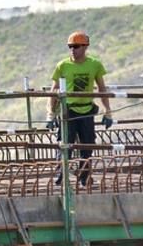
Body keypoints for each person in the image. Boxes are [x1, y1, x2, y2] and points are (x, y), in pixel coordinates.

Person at [46, 31, 113, 186]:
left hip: (86, 110)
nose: (72, 50)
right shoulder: (63, 66)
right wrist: (50, 114)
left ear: (85, 47)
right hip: (68, 111)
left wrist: (107, 112)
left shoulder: (95, 65)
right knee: (65, 144)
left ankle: (84, 177)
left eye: (76, 46)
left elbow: (102, 89)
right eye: (70, 47)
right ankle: (61, 174)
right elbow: (54, 91)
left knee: (87, 145)